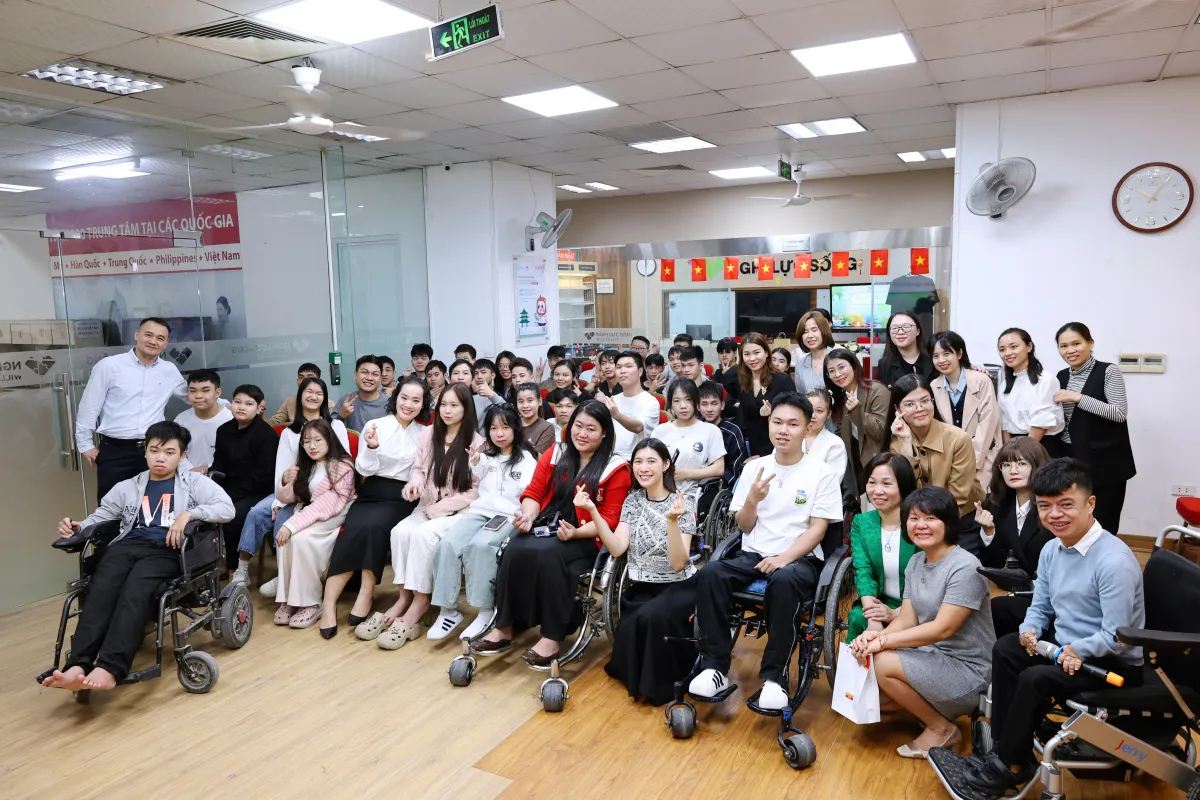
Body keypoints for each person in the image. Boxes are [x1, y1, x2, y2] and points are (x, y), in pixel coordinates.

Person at [937, 459, 1145, 798]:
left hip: (1111, 662)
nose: (1055, 514)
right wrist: (1030, 629)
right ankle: (1009, 752)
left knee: (1035, 679)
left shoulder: (1113, 561)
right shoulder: (1053, 548)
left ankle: (1007, 766)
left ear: (1090, 504)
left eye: (1066, 504)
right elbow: (1041, 605)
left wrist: (1077, 649)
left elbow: (1117, 637)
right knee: (1007, 648)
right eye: (1045, 506)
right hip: (1066, 647)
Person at [44, 421, 234, 694]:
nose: (160, 457)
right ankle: (77, 664)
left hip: (167, 550)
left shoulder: (194, 483)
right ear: (145, 452)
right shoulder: (129, 486)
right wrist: (78, 527)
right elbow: (102, 516)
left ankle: (110, 667)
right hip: (127, 546)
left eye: (169, 452)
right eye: (154, 450)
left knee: (135, 590)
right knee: (100, 588)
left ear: (182, 456)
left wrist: (189, 514)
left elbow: (226, 508)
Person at [689, 393, 843, 711]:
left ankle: (775, 678)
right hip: (753, 554)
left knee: (784, 581)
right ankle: (713, 666)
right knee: (710, 573)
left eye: (793, 424)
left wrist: (784, 558)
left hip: (800, 558)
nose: (783, 430)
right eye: (777, 422)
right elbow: (744, 526)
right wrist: (752, 500)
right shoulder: (755, 469)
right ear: (769, 423)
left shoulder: (822, 473)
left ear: (808, 427)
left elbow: (818, 529)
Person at [474, 400, 632, 664]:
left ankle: (551, 636)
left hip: (587, 535)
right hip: (548, 524)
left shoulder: (616, 469)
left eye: (591, 429)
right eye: (578, 426)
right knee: (514, 547)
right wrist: (528, 516)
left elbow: (609, 520)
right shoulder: (555, 453)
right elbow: (533, 493)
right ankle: (505, 625)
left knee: (549, 556)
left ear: (604, 432)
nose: (582, 434)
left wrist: (575, 534)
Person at [849, 486, 995, 759]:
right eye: (914, 518)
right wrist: (873, 638)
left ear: (948, 523)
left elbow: (943, 629)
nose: (921, 525)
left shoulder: (964, 566)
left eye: (930, 518)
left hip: (968, 670)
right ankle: (933, 711)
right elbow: (906, 619)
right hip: (932, 657)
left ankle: (941, 729)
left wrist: (883, 643)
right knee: (875, 700)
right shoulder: (917, 562)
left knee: (881, 663)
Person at [593, 439, 699, 705]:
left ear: (665, 465)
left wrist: (672, 521)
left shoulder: (682, 503)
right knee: (638, 616)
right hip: (644, 585)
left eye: (651, 461)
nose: (643, 468)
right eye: (638, 462)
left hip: (680, 585)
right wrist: (593, 511)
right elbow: (618, 548)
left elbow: (679, 563)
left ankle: (659, 686)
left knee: (651, 617)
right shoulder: (633, 501)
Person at [378, 384, 482, 649]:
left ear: (466, 408)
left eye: (454, 405)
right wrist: (414, 484)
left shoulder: (478, 442)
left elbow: (475, 491)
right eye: (443, 404)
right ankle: (404, 596)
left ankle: (421, 600)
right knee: (400, 532)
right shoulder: (428, 434)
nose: (447, 410)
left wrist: (442, 508)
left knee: (423, 535)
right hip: (427, 506)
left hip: (458, 512)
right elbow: (418, 469)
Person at [324, 377, 428, 637]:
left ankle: (366, 592)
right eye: (404, 398)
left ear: (423, 404)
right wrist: (372, 447)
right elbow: (363, 468)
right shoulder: (375, 426)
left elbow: (422, 473)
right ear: (396, 398)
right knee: (353, 530)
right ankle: (328, 604)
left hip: (401, 497)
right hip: (371, 491)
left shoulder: (424, 434)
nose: (409, 404)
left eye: (416, 400)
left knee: (375, 528)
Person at [428, 404, 539, 641]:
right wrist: (477, 460)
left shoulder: (527, 459)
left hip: (507, 516)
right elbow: (479, 469)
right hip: (478, 512)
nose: (499, 433)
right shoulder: (486, 457)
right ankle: (447, 611)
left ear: (516, 428)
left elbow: (530, 493)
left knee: (480, 546)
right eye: (493, 428)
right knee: (447, 544)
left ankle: (485, 610)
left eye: (505, 427)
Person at [253, 378, 351, 595]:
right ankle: (285, 575)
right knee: (272, 514)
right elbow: (284, 471)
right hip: (299, 491)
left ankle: (294, 581)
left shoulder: (336, 426)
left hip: (331, 494)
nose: (313, 396)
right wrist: (280, 499)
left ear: (325, 398)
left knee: (296, 528)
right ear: (299, 396)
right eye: (309, 391)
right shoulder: (290, 432)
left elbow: (343, 462)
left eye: (319, 393)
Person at [75, 317, 187, 501]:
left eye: (160, 338)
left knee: (155, 505)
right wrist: (85, 444)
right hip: (115, 450)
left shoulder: (169, 370)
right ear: (137, 335)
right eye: (148, 335)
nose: (153, 341)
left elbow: (192, 395)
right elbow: (89, 406)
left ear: (166, 343)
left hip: (154, 449)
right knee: (111, 506)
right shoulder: (109, 366)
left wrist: (226, 405)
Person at [272, 418, 357, 632]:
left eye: (318, 440)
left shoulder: (343, 465)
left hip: (334, 514)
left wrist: (292, 524)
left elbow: (328, 504)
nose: (312, 446)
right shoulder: (306, 465)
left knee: (301, 539)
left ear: (329, 439)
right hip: (309, 514)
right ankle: (289, 599)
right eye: (307, 441)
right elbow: (289, 497)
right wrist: (285, 481)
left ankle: (311, 602)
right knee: (286, 539)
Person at [888, 374, 986, 554]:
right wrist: (907, 445)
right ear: (897, 409)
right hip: (920, 522)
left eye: (925, 401)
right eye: (909, 404)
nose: (919, 408)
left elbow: (958, 497)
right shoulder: (898, 441)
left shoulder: (959, 439)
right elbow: (906, 489)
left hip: (959, 520)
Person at [1053, 322, 1135, 534]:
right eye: (1063, 346)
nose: (1070, 350)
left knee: (1103, 522)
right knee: (1074, 518)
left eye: (1076, 343)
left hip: (1105, 462)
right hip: (1071, 458)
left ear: (1090, 343)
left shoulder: (1108, 371)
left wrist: (1077, 397)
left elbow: (1118, 413)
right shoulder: (1061, 376)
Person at [975, 437, 1053, 637]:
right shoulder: (995, 504)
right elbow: (993, 564)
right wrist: (989, 532)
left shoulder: (1053, 506)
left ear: (1038, 465)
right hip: (1008, 591)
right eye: (1006, 465)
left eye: (1021, 463)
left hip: (1045, 597)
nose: (1013, 470)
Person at [845, 453, 919, 642]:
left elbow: (929, 582)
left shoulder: (920, 523)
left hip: (916, 606)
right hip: (878, 601)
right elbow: (863, 571)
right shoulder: (862, 523)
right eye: (872, 483)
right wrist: (873, 617)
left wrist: (897, 613)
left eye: (887, 484)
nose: (877, 491)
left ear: (904, 486)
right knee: (859, 618)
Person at [214, 385, 279, 583]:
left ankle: (235, 568)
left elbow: (263, 476)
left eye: (249, 404)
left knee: (232, 515)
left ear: (259, 408)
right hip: (228, 489)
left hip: (257, 490)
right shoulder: (223, 430)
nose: (242, 407)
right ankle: (212, 563)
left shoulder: (266, 435)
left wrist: (231, 495)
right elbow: (218, 464)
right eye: (238, 402)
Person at [930, 331, 1003, 490]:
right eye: (936, 356)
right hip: (951, 462)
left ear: (959, 353)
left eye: (946, 353)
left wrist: (971, 462)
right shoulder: (934, 386)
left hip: (982, 457)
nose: (941, 360)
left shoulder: (981, 380)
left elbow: (988, 423)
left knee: (982, 499)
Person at [825, 347, 889, 493]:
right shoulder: (841, 396)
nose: (837, 374)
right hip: (854, 460)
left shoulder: (877, 390)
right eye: (831, 371)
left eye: (841, 367)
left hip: (878, 460)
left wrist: (857, 411)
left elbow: (880, 432)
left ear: (854, 365)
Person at [653, 378, 725, 497]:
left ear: (697, 403)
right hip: (661, 491)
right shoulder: (659, 431)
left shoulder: (711, 431)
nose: (683, 406)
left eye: (688, 399)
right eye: (676, 401)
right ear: (671, 405)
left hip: (693, 494)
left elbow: (719, 468)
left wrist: (686, 474)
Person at [996, 327, 1063, 445]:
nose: (1007, 353)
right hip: (1015, 446)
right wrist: (1009, 451)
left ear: (1029, 347)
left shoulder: (1046, 379)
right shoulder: (1004, 386)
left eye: (1013, 347)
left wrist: (1022, 452)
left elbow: (1041, 423)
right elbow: (1004, 424)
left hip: (1041, 444)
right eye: (1002, 349)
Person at [736, 332, 795, 458]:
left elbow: (794, 416)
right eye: (746, 354)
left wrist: (772, 414)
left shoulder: (782, 380)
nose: (752, 358)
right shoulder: (743, 381)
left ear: (767, 353)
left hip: (777, 449)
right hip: (750, 448)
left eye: (756, 352)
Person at [605, 351, 660, 461]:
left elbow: (638, 427)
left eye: (628, 366)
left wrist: (617, 415)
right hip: (610, 458)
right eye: (618, 367)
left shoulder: (650, 402)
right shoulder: (613, 400)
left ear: (640, 371)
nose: (622, 371)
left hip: (637, 459)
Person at [174, 369, 232, 474]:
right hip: (189, 477)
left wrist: (205, 469)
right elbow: (174, 450)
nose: (198, 396)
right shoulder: (181, 420)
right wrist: (191, 472)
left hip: (225, 477)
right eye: (193, 391)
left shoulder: (231, 419)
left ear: (218, 392)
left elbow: (235, 455)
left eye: (205, 391)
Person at [698, 381, 747, 487]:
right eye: (704, 404)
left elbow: (734, 470)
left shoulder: (733, 432)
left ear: (722, 405)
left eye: (714, 403)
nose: (709, 409)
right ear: (698, 407)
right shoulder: (695, 429)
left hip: (719, 486)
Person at [801, 387, 849, 495]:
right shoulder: (792, 436)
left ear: (828, 414)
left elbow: (833, 481)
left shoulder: (835, 444)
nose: (813, 415)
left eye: (819, 411)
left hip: (821, 499)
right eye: (809, 409)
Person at [877, 311, 936, 388]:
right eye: (894, 328)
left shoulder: (934, 360)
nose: (900, 332)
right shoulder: (884, 365)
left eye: (906, 326)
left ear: (918, 331)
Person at [337, 354, 388, 432]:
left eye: (375, 374)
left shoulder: (390, 403)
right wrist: (341, 416)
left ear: (380, 379)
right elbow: (330, 433)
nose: (369, 378)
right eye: (364, 372)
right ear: (355, 375)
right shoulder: (345, 401)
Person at [792, 310, 835, 394]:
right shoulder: (800, 366)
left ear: (824, 331)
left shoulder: (838, 357)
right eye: (805, 332)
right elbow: (801, 397)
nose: (810, 336)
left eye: (814, 330)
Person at [515, 382, 555, 454]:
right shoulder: (512, 423)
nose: (525, 405)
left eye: (530, 400)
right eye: (521, 401)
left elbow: (537, 457)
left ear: (539, 401)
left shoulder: (547, 428)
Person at [470, 357, 505, 429]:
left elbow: (509, 412)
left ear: (493, 375)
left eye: (483, 372)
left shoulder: (499, 397)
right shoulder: (471, 398)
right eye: (476, 373)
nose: (479, 376)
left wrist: (491, 395)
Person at [712, 337, 740, 420]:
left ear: (735, 353)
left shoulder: (742, 372)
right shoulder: (717, 373)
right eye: (721, 353)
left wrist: (728, 374)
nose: (724, 355)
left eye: (727, 352)